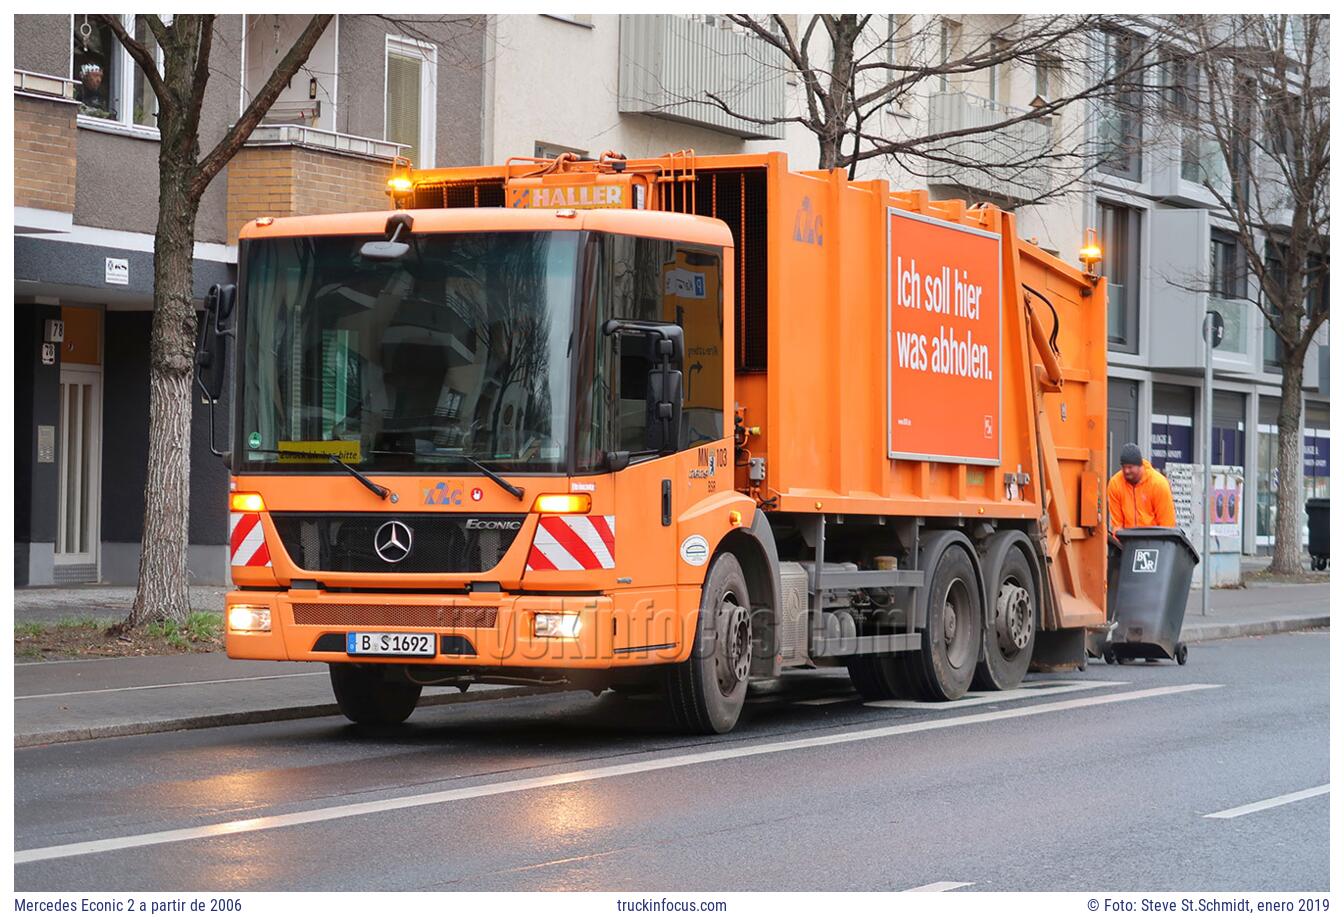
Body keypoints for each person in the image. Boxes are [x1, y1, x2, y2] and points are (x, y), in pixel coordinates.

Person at [1107, 442, 1177, 535]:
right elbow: (1117, 525)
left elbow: (1167, 525)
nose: (1126, 471)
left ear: (1140, 466)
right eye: (1124, 467)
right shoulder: (1115, 484)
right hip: (1127, 541)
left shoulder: (1158, 484)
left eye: (1130, 467)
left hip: (1155, 541)